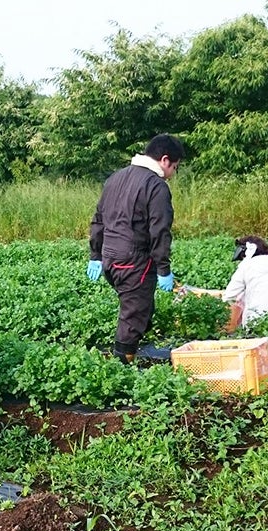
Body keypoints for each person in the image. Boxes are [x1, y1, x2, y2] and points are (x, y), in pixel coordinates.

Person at [87, 133, 185, 364]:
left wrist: (96, 254)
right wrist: (163, 269)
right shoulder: (155, 186)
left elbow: (98, 219)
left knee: (142, 307)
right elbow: (159, 231)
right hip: (133, 260)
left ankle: (132, 348)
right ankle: (120, 366)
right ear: (164, 160)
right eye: (175, 167)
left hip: (111, 258)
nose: (173, 173)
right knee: (133, 315)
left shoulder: (116, 178)